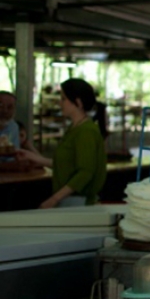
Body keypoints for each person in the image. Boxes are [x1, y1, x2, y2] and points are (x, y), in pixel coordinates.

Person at [17, 79, 107, 207]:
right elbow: (65, 165)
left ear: (78, 102)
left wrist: (53, 200)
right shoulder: (74, 128)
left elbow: (85, 173)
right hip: (69, 198)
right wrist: (31, 156)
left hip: (78, 202)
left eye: (63, 99)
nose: (60, 103)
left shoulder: (86, 131)